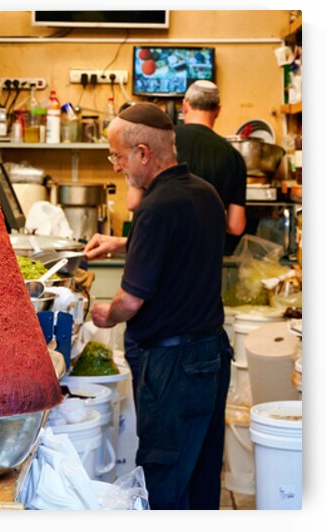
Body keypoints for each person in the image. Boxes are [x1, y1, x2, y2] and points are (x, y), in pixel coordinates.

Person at [84, 103, 233, 510]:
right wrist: (125, 244)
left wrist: (104, 315)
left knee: (164, 477)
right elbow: (180, 249)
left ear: (143, 153)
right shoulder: (204, 194)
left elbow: (130, 301)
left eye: (117, 155)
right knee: (202, 471)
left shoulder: (154, 207)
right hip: (210, 355)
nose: (117, 166)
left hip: (172, 368)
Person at [175, 80, 247, 254]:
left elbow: (134, 202)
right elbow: (236, 226)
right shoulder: (233, 156)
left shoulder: (162, 141)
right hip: (208, 260)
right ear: (218, 111)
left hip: (162, 254)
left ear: (184, 106)